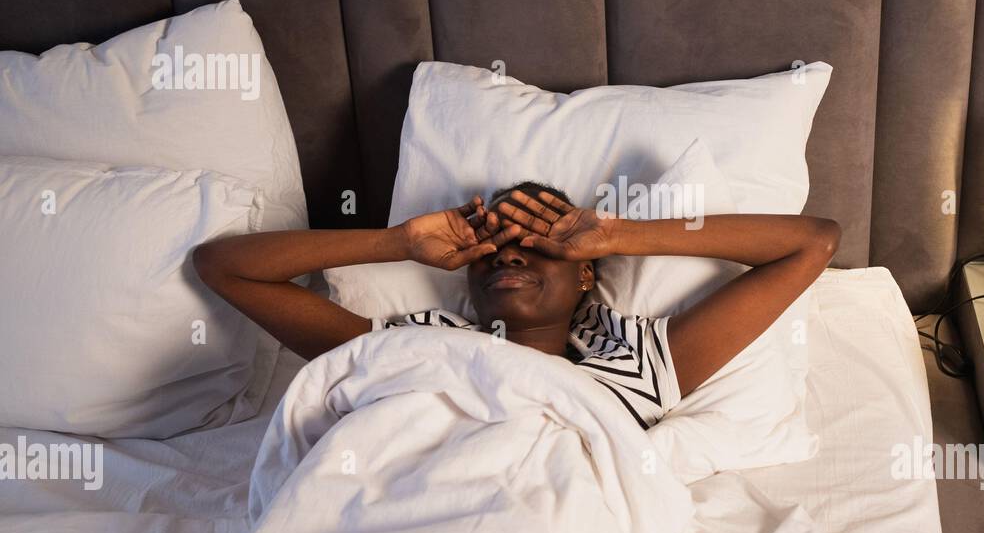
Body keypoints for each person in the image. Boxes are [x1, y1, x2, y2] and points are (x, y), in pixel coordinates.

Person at [194, 182, 839, 428]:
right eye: (492, 247)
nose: (509, 256)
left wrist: (622, 234)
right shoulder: (413, 343)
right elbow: (223, 267)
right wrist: (395, 242)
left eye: (536, 244)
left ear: (586, 275)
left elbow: (813, 242)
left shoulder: (636, 358)